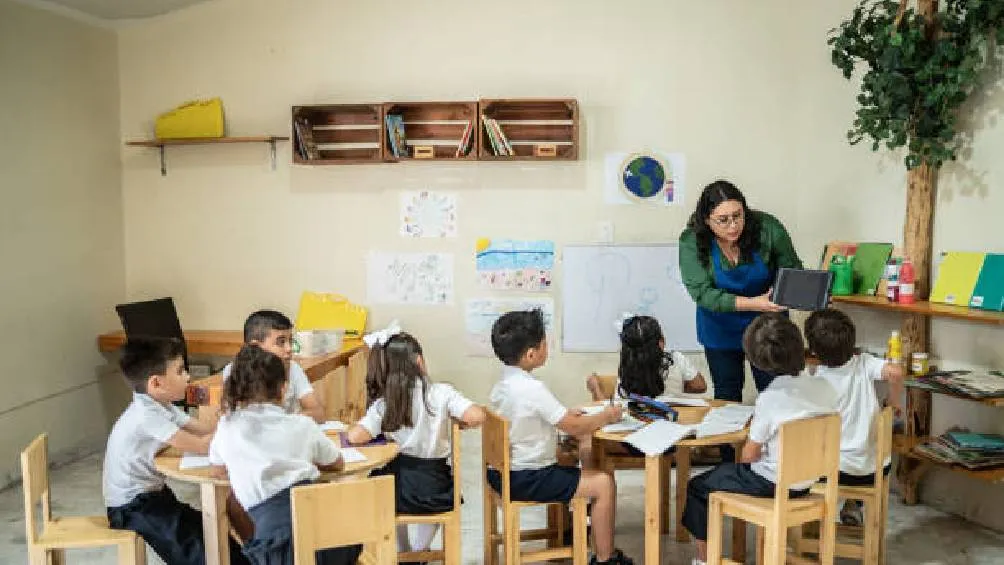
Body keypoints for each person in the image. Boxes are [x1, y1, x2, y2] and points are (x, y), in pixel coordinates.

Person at [681, 313, 837, 565]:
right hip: (808, 481)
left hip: (771, 482)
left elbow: (749, 455)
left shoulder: (771, 399)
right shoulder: (825, 387)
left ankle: (704, 560)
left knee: (699, 487)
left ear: (759, 361)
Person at [488, 309, 634, 565]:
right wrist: (607, 416)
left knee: (568, 459)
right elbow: (574, 428)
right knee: (603, 483)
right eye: (545, 343)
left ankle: (568, 535)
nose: (548, 347)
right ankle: (605, 558)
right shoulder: (533, 389)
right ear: (531, 353)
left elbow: (541, 417)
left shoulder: (504, 384)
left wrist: (568, 415)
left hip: (501, 473)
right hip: (527, 477)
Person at [209, 344, 360, 565]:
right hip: (330, 540)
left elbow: (217, 469)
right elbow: (337, 463)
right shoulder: (302, 425)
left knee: (234, 504)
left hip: (275, 546)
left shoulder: (227, 426)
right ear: (283, 389)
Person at [103, 337, 249, 565]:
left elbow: (203, 430)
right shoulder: (147, 416)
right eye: (180, 371)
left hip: (155, 496)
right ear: (156, 383)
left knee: (211, 533)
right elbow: (202, 446)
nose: (188, 377)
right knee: (195, 550)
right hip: (132, 507)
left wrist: (228, 419)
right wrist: (235, 427)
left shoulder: (161, 405)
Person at [346, 327, 485, 560]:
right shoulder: (441, 393)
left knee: (383, 487)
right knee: (442, 503)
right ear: (419, 361)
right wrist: (461, 421)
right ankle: (420, 551)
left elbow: (355, 437)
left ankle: (403, 549)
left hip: (400, 484)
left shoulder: (385, 403)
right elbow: (477, 416)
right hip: (435, 485)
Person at [679, 180, 803, 402]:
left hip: (768, 327)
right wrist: (756, 303)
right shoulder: (692, 241)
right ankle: (729, 437)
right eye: (723, 220)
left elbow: (791, 268)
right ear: (707, 220)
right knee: (727, 394)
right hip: (720, 328)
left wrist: (795, 291)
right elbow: (703, 294)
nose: (733, 226)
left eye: (738, 216)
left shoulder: (767, 228)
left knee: (776, 392)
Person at [805, 308, 904, 525]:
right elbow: (895, 372)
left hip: (835, 471)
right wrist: (893, 401)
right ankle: (852, 504)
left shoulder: (816, 383)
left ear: (813, 351)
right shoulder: (864, 363)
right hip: (874, 469)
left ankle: (810, 519)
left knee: (797, 461)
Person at [221, 310, 324, 423]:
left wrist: (281, 423)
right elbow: (229, 417)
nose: (289, 349)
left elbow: (317, 412)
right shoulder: (235, 371)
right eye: (281, 342)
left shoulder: (292, 368)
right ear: (255, 347)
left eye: (290, 341)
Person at [587, 314, 707, 402]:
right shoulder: (676, 359)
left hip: (630, 433)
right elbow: (700, 386)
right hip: (671, 427)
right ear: (661, 342)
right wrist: (677, 387)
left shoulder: (627, 365)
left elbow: (606, 413)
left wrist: (596, 388)